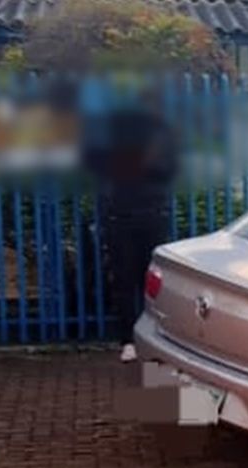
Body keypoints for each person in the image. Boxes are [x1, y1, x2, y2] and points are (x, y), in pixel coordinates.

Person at [82, 89, 178, 362]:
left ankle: (156, 339)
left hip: (151, 215)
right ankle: (128, 340)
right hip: (121, 218)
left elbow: (166, 172)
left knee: (153, 282)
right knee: (124, 282)